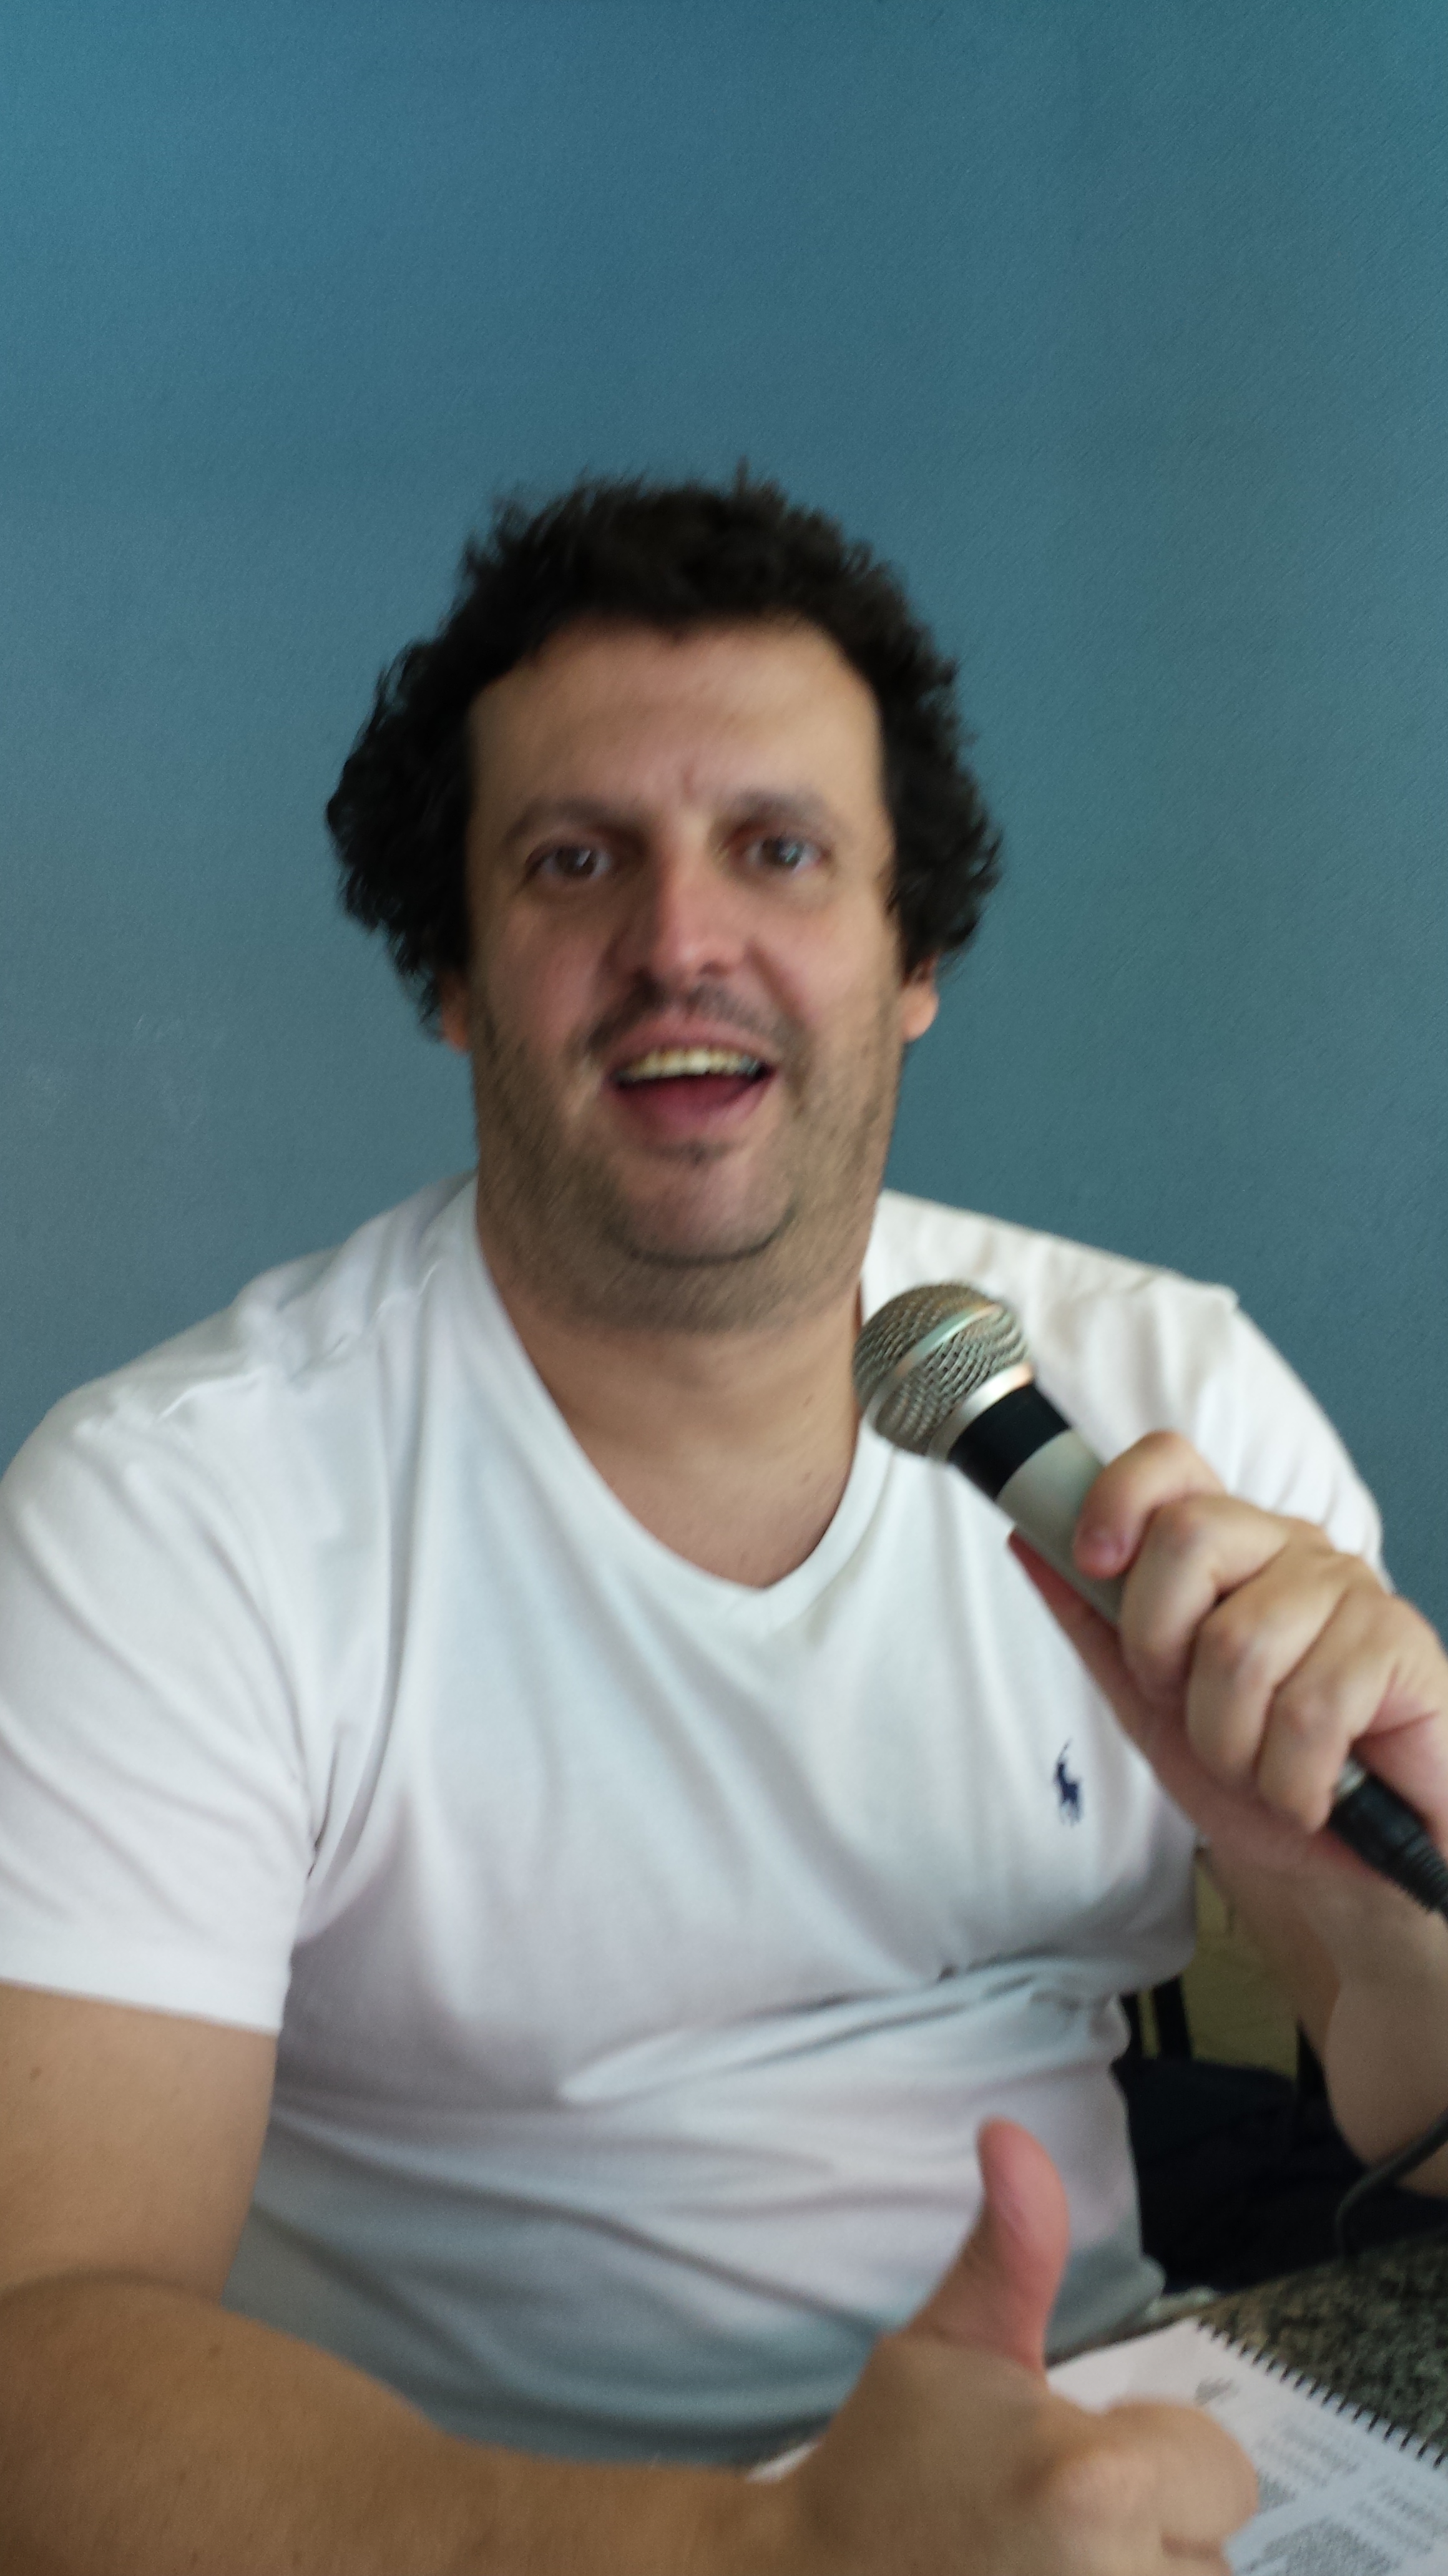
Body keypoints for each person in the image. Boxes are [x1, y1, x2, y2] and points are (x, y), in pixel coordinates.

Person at [2, 472, 1447, 2574]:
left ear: (913, 951)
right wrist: (768, 2557)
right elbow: (42, 2359)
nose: (680, 940)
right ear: (453, 974)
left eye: (779, 850)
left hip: (1105, 2492)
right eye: (575, 859)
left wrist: (1366, 1904)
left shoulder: (1168, 1399)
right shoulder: (176, 1515)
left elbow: (1417, 2098)